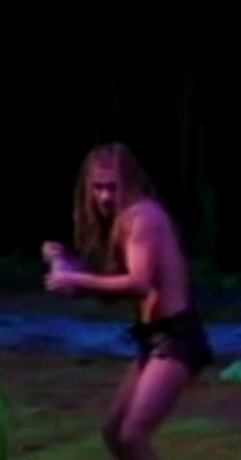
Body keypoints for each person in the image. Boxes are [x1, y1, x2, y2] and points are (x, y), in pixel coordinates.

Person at [42, 142, 213, 460]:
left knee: (132, 435)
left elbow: (138, 285)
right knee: (114, 433)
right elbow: (113, 291)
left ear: (129, 183)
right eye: (98, 188)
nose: (105, 197)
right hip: (153, 338)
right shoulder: (124, 220)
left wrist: (76, 280)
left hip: (178, 337)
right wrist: (66, 267)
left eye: (112, 187)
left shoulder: (142, 217)